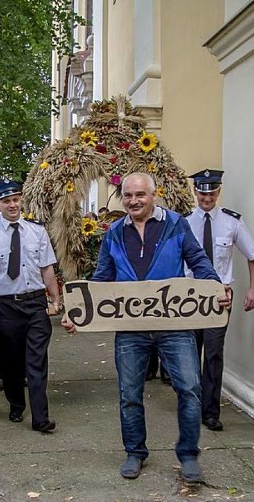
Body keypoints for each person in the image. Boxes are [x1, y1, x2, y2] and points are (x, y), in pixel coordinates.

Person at [61, 172, 231, 483]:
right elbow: (102, 279)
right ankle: (135, 452)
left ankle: (189, 454)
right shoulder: (113, 232)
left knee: (190, 389)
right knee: (129, 393)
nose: (134, 201)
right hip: (130, 327)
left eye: (140, 195)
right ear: (122, 198)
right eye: (128, 196)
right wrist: (80, 313)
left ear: (154, 195)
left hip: (174, 325)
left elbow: (198, 259)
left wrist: (215, 289)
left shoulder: (176, 224)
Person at [0, 180, 61, 433]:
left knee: (37, 361)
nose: (12, 204)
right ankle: (16, 403)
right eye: (6, 201)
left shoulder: (36, 231)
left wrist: (55, 299)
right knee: (11, 363)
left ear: (22, 201)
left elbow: (47, 268)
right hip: (6, 306)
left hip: (35, 304)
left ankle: (40, 417)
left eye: (16, 199)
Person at [185, 169, 254, 432]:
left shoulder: (232, 223)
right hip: (188, 297)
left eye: (212, 192)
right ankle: (190, 408)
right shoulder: (183, 224)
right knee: (189, 354)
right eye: (203, 192)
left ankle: (210, 412)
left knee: (214, 355)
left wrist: (253, 290)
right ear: (195, 192)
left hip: (219, 298)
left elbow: (253, 256)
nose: (207, 198)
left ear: (218, 192)